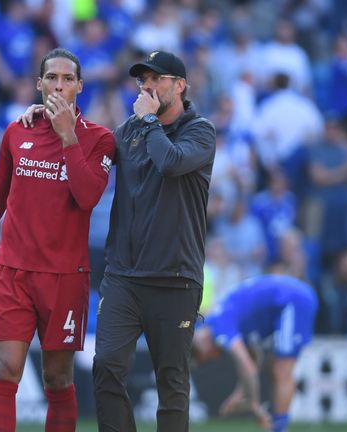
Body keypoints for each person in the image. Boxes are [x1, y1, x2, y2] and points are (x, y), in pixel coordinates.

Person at [0, 47, 116, 431]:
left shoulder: (100, 140)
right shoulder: (17, 131)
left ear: (80, 87)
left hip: (65, 277)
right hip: (12, 272)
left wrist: (68, 137)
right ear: (38, 84)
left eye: (67, 79)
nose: (59, 85)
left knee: (57, 379)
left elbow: (88, 197)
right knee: (4, 370)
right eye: (51, 78)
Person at [92, 50, 216, 432]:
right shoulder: (129, 130)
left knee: (172, 383)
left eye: (156, 78)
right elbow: (90, 150)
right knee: (106, 367)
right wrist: (46, 124)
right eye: (142, 80)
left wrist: (147, 120)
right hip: (124, 276)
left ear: (180, 85)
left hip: (174, 278)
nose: (146, 86)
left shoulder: (201, 131)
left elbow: (170, 162)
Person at [192, 271, 318, 432]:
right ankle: (278, 426)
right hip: (289, 297)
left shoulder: (220, 327)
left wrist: (254, 405)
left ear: (204, 345)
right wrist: (241, 393)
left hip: (292, 300)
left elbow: (248, 366)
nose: (216, 357)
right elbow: (254, 356)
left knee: (281, 369)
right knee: (275, 367)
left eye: (208, 358)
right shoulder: (217, 320)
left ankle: (278, 429)